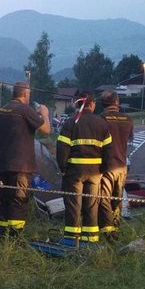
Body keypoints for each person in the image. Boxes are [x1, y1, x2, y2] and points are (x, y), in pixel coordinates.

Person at [0, 81, 50, 238]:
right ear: (25, 94)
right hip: (21, 165)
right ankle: (15, 237)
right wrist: (44, 113)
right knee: (19, 200)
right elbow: (46, 130)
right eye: (29, 94)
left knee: (5, 200)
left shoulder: (3, 109)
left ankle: (1, 235)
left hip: (4, 164)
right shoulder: (25, 110)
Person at [56, 93, 111, 245]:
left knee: (74, 205)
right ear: (92, 104)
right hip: (95, 173)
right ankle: (90, 241)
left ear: (77, 103)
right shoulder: (102, 123)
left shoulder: (71, 122)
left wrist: (63, 168)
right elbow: (109, 151)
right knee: (92, 205)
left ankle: (71, 241)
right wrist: (103, 169)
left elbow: (62, 148)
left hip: (74, 171)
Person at [97, 90, 133, 241]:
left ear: (103, 104)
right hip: (122, 166)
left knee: (104, 198)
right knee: (117, 198)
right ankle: (116, 228)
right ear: (117, 103)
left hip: (106, 165)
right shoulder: (128, 120)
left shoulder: (101, 119)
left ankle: (107, 232)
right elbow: (128, 138)